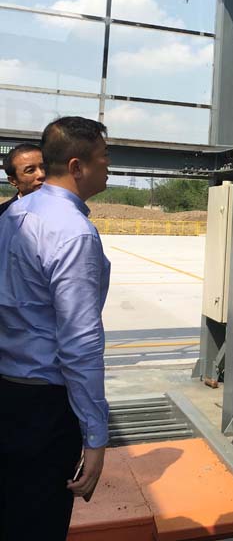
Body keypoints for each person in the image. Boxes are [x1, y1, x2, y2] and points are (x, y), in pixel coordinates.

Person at [0, 117, 111, 541]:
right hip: (44, 410)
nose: (109, 167)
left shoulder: (13, 215)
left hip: (8, 393)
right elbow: (80, 344)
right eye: (104, 158)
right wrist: (95, 436)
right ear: (78, 166)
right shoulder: (73, 233)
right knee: (38, 523)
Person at [0, 142, 45, 217]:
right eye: (30, 170)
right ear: (13, 181)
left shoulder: (64, 208)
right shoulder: (3, 215)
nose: (41, 175)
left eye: (44, 167)